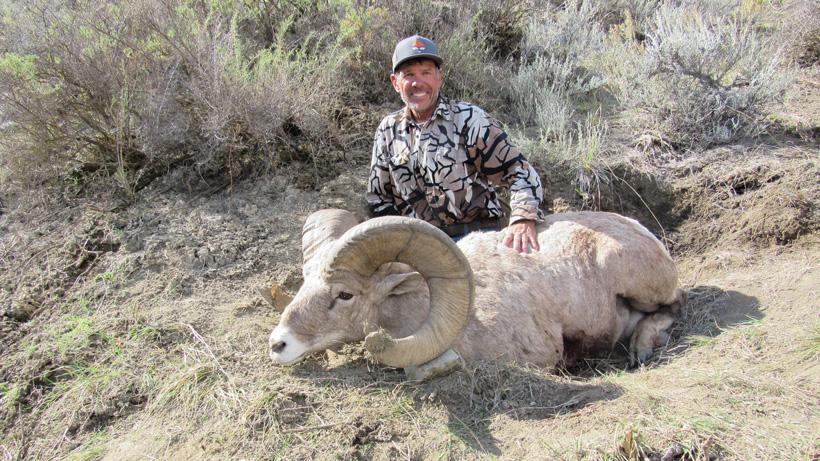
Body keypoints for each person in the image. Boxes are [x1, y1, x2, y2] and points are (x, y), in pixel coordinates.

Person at [366, 35, 544, 254]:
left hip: (479, 240)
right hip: (421, 248)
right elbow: (379, 199)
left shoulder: (470, 119)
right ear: (395, 82)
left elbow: (519, 173)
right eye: (409, 75)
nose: (417, 82)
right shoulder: (387, 130)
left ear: (439, 77)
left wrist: (522, 219)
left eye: (426, 73)